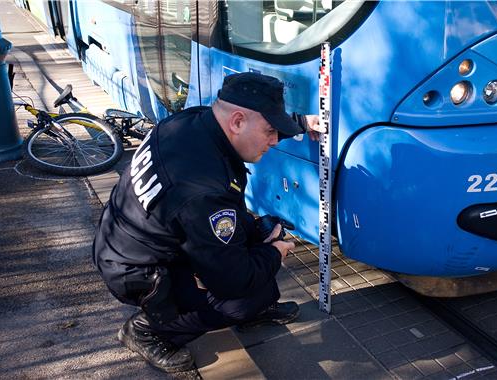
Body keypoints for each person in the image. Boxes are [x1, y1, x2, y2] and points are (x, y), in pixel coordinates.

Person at [92, 72, 324, 373]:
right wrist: (274, 254)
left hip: (135, 237)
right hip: (139, 271)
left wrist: (302, 123)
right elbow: (232, 281)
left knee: (253, 236)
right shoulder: (201, 191)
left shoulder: (192, 121)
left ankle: (255, 304)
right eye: (270, 131)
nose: (274, 140)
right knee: (240, 295)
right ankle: (148, 329)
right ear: (237, 122)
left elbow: (252, 118)